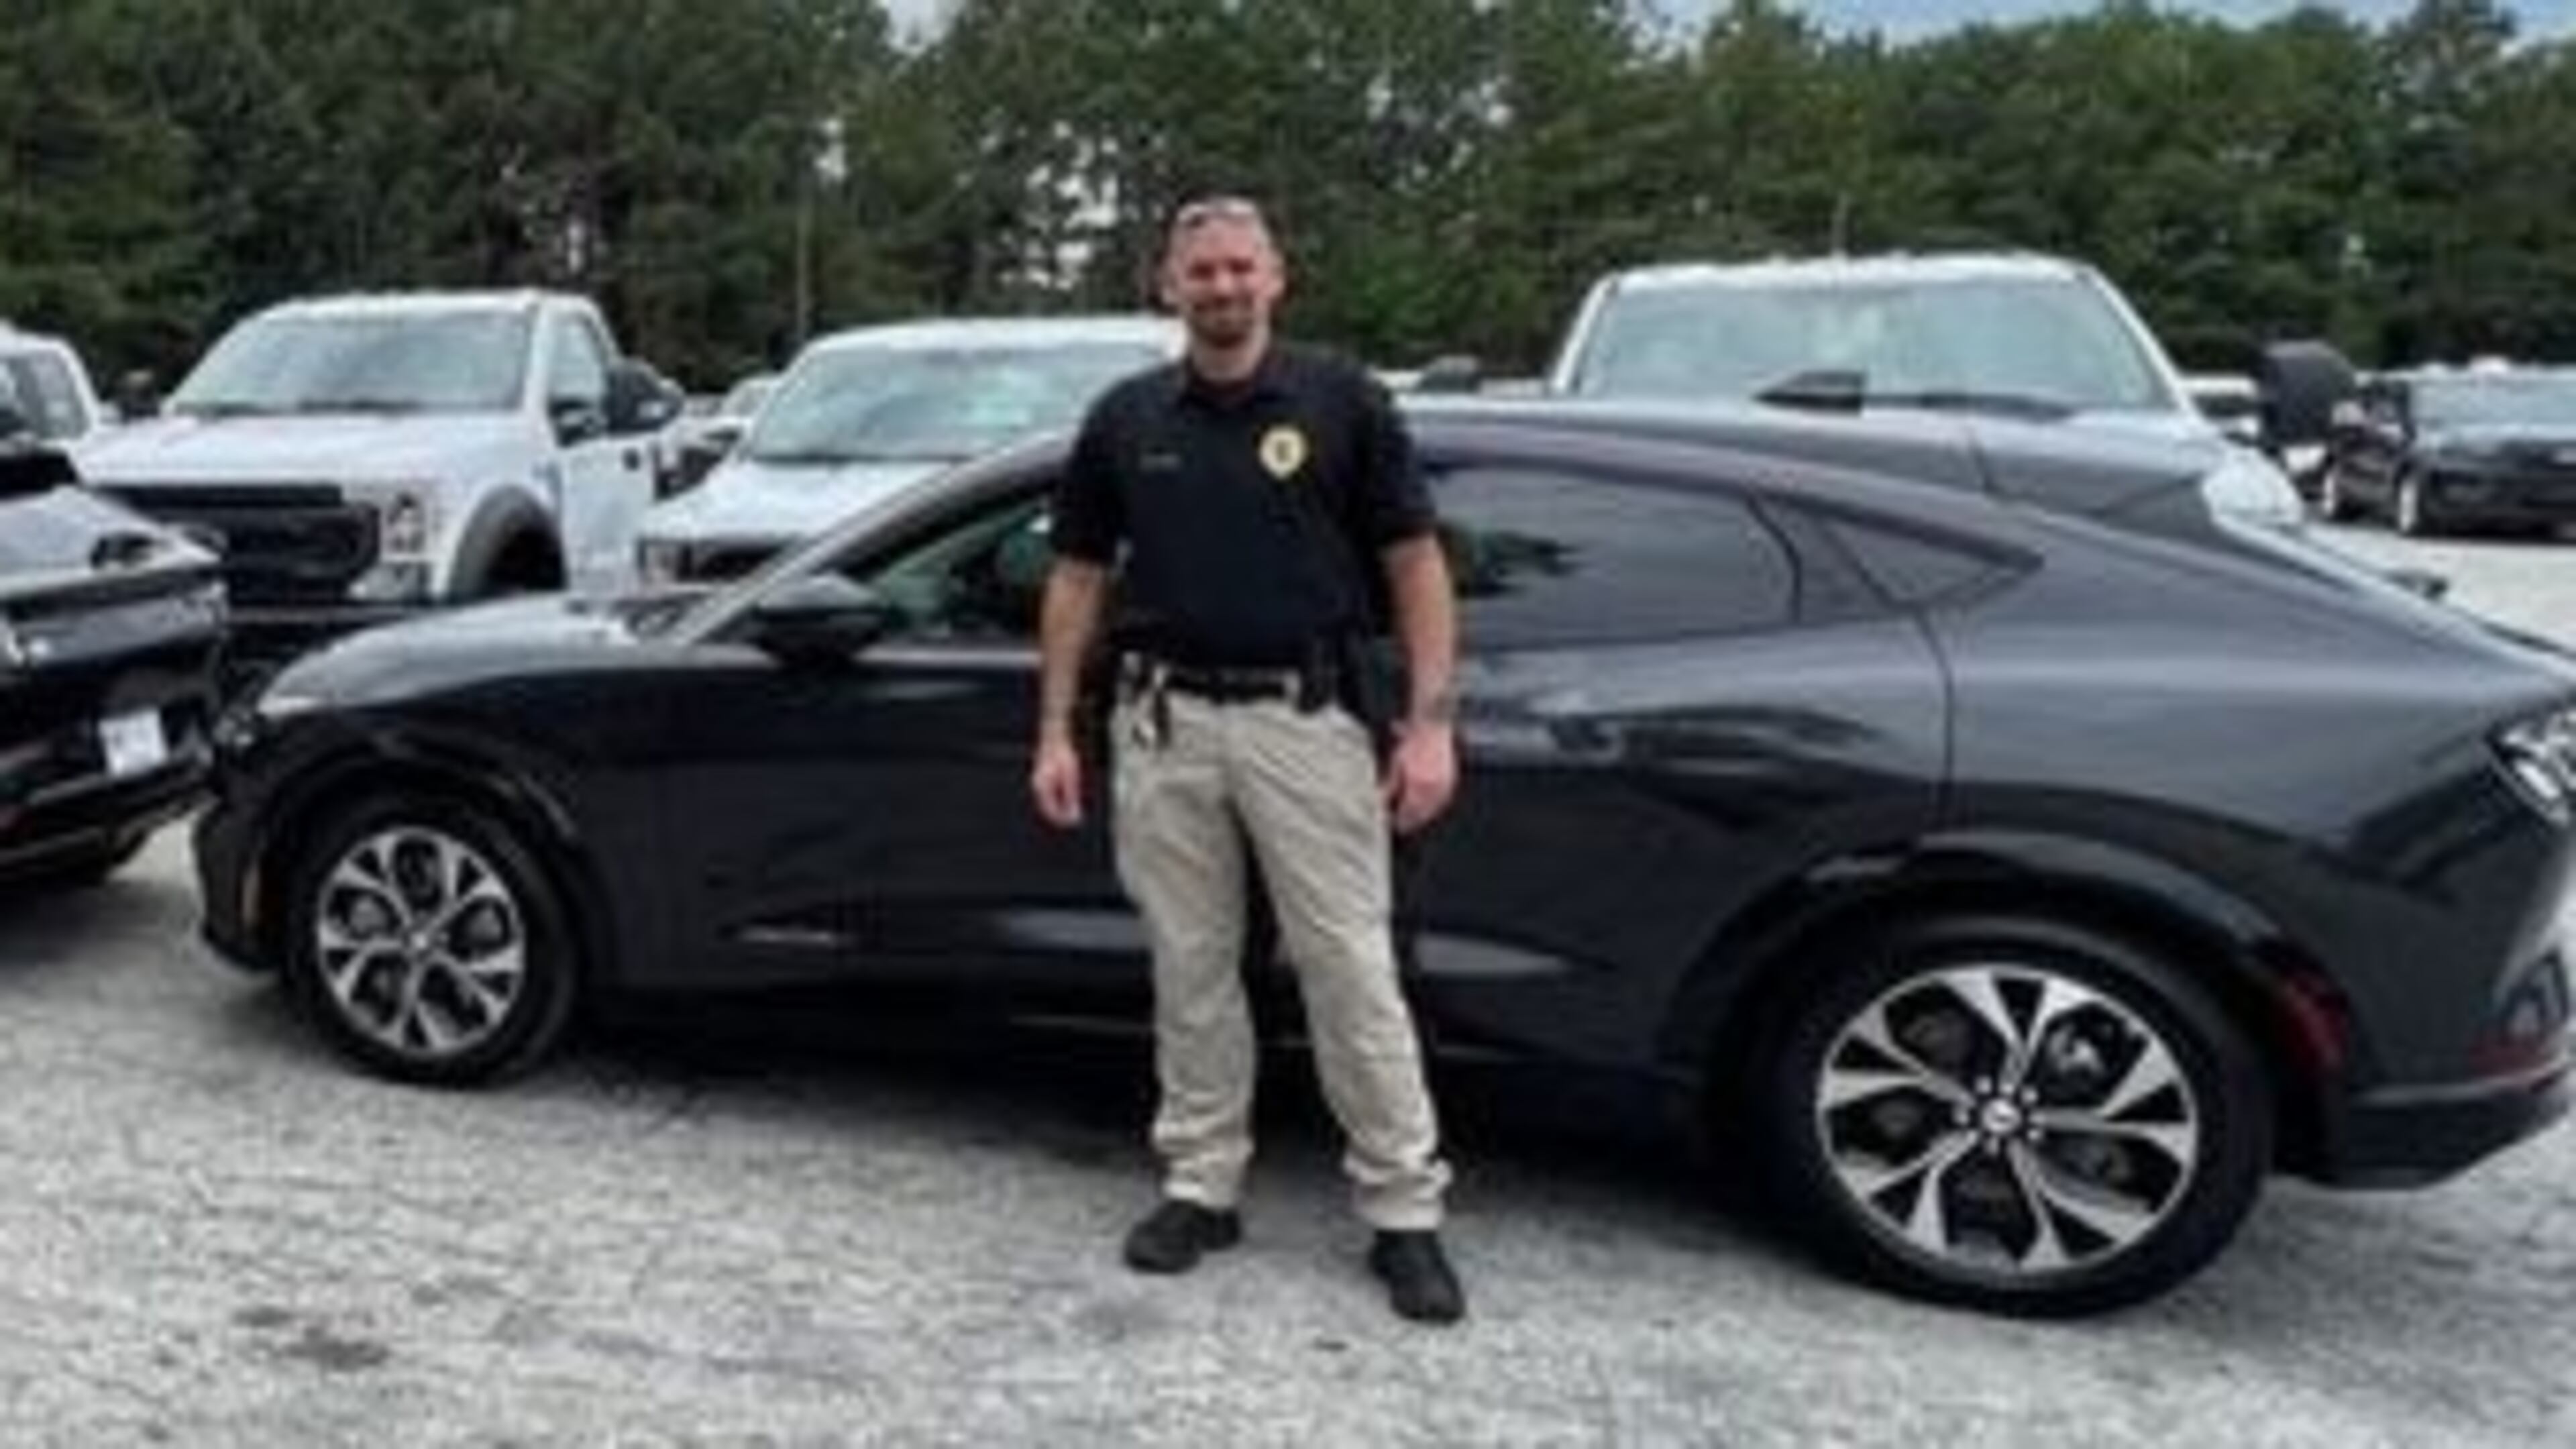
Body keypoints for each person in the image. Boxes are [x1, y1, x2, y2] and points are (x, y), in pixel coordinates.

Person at [1028, 195, 1466, 1325]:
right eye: (1200, 272)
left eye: (1239, 267)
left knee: (1348, 968)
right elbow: (1077, 578)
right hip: (1163, 726)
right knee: (1191, 965)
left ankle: (1404, 1211)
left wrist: (1429, 724)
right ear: (1167, 289)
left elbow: (1415, 565)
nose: (1220, 287)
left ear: (1278, 277)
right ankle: (1201, 1182)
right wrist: (1053, 729)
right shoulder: (1127, 418)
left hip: (1305, 721)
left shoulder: (1344, 402)